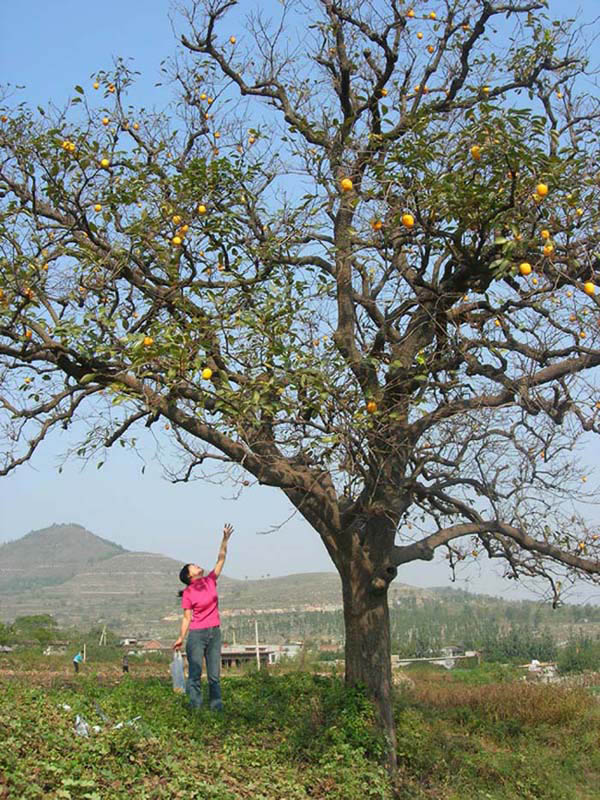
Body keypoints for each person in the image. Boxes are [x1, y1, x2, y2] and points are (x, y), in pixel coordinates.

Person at [173, 523, 234, 711]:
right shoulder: (189, 593)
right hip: (197, 636)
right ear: (190, 576)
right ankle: (196, 711)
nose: (198, 566)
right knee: (195, 674)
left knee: (214, 676)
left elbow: (221, 559)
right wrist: (181, 638)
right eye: (194, 567)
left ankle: (217, 710)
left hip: (214, 633)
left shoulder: (210, 581)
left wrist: (224, 539)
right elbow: (186, 618)